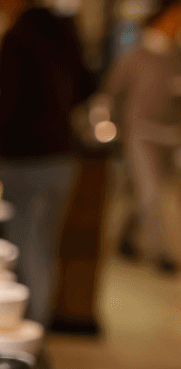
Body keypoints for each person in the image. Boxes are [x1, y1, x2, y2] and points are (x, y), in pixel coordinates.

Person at [0, 0, 95, 327]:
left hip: (22, 157)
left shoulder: (17, 35)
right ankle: (35, 327)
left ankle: (24, 331)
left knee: (22, 245)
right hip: (61, 156)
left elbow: (8, 100)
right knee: (43, 245)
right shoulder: (65, 30)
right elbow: (87, 87)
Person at [103, 0, 181, 274]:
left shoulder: (175, 59)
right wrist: (115, 129)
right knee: (152, 194)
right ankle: (165, 256)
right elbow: (113, 93)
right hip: (140, 134)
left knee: (147, 193)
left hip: (169, 136)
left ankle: (126, 236)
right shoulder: (136, 57)